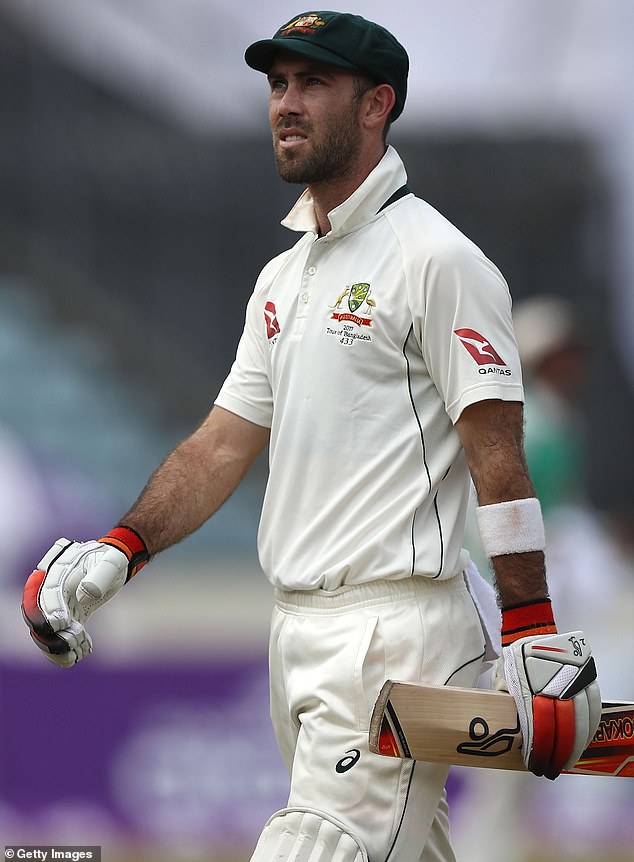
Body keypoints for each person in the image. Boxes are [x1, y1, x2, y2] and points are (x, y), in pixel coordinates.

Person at [21, 12, 601, 862]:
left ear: (377, 105)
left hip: (396, 634)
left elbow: (497, 457)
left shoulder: (437, 260)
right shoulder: (281, 279)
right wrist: (119, 550)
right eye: (278, 84)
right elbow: (220, 444)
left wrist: (532, 626)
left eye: (313, 84)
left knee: (311, 850)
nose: (286, 104)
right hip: (296, 636)